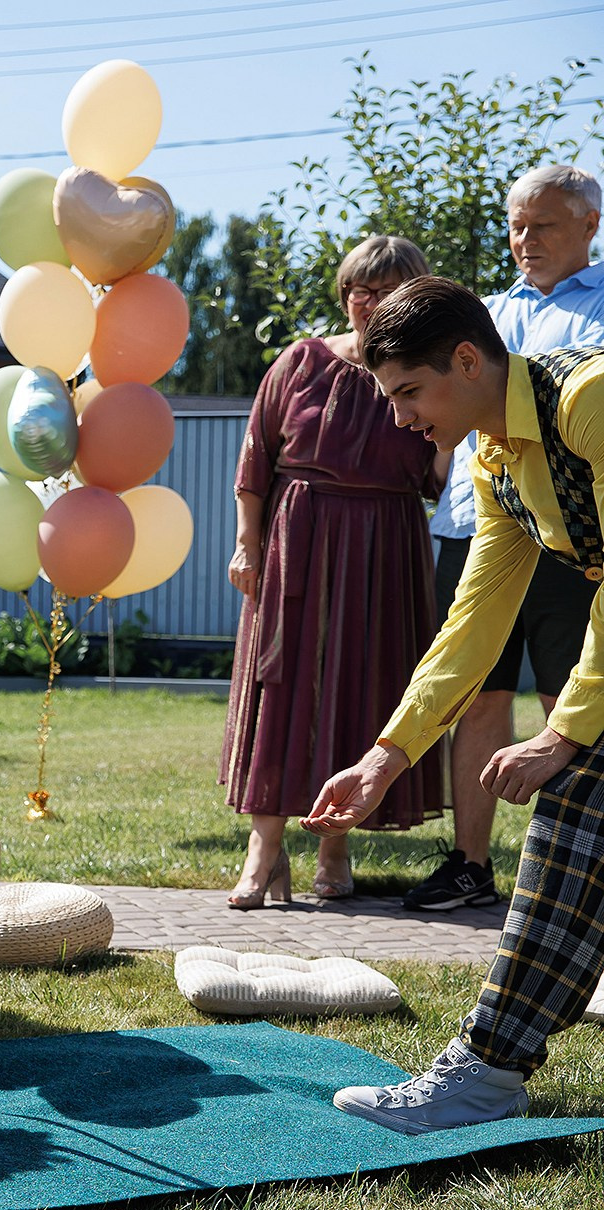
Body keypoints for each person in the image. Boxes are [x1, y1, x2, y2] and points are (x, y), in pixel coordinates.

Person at [307, 276, 604, 1133]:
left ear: (468, 360)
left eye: (408, 393)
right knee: (581, 822)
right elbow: (472, 627)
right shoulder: (495, 455)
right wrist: (386, 755)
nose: (400, 418)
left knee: (576, 797)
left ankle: (485, 1069)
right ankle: (489, 1066)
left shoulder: (587, 400)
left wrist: (564, 731)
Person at [221, 236, 446, 908]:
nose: (364, 300)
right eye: (356, 287)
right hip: (299, 537)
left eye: (382, 289)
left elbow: (441, 477)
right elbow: (256, 456)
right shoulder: (302, 361)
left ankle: (334, 842)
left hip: (387, 547)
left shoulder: (427, 375)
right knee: (281, 685)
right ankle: (264, 850)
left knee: (364, 686)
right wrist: (246, 544)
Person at [412, 164, 604, 911]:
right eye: (516, 226)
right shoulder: (484, 314)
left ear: (589, 226)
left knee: (573, 692)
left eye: (543, 224)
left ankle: (563, 871)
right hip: (481, 522)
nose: (525, 239)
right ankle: (471, 862)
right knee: (480, 692)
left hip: (574, 533)